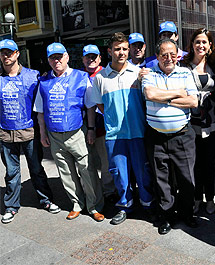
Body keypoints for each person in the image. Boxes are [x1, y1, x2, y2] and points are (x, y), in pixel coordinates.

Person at [86, 32, 154, 225]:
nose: (122, 52)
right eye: (117, 49)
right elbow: (101, 106)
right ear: (109, 51)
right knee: (119, 172)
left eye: (125, 48)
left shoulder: (138, 74)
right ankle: (125, 205)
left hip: (138, 132)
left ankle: (148, 204)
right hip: (115, 135)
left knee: (143, 172)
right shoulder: (99, 78)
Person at [34, 42, 104, 222]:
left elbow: (90, 107)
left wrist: (90, 129)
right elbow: (40, 111)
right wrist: (42, 134)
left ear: (67, 57)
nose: (56, 61)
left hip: (77, 133)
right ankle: (76, 204)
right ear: (48, 60)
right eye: (52, 58)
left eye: (59, 57)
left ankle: (94, 205)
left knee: (87, 170)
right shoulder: (43, 81)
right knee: (66, 172)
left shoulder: (81, 77)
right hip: (55, 135)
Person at [0, 39, 61, 224]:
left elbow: (43, 101)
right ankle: (11, 206)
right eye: (2, 53)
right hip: (5, 133)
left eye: (9, 52)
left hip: (29, 131)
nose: (5, 56)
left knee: (36, 169)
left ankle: (46, 200)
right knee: (11, 172)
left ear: (17, 53)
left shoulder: (33, 76)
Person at [142, 38, 199, 235]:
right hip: (156, 136)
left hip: (183, 135)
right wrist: (177, 93)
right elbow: (150, 94)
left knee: (186, 177)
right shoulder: (149, 74)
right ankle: (166, 216)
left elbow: (193, 101)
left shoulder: (185, 72)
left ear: (178, 55)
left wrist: (164, 98)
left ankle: (187, 213)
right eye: (164, 54)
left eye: (173, 54)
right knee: (161, 179)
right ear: (157, 56)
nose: (169, 58)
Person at [180, 28, 215, 215]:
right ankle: (197, 198)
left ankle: (210, 198)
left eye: (204, 42)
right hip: (191, 123)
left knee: (209, 163)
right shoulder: (183, 66)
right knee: (194, 164)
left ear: (210, 45)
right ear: (192, 44)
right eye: (197, 42)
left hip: (212, 123)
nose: (201, 45)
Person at [81, 44, 117, 203]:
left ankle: (109, 192)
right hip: (84, 126)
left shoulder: (106, 74)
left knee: (106, 161)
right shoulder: (79, 77)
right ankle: (93, 193)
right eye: (88, 56)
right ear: (82, 59)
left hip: (104, 126)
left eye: (94, 56)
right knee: (87, 162)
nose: (91, 59)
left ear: (100, 58)